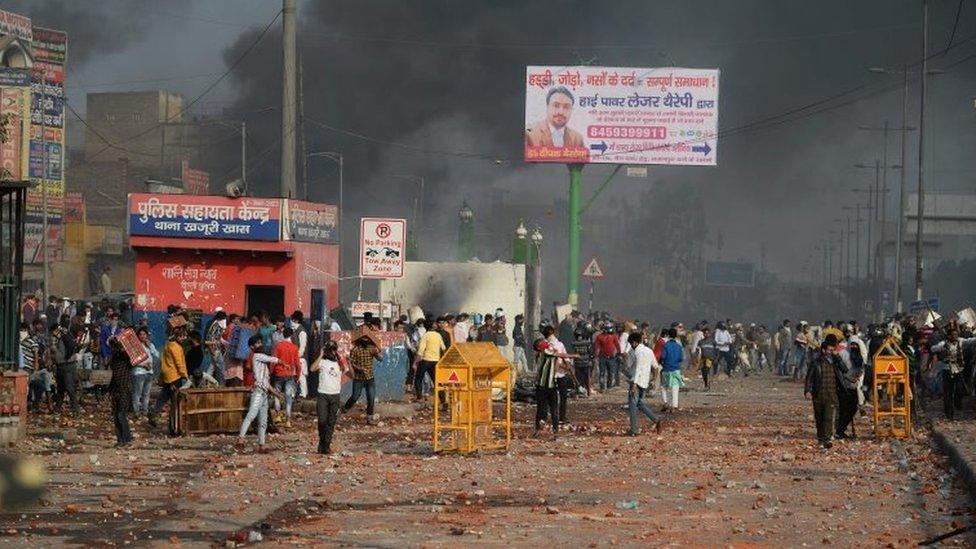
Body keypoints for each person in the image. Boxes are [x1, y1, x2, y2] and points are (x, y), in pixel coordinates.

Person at [237, 335, 280, 452]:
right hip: (258, 392)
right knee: (251, 415)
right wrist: (282, 361)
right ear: (252, 347)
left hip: (264, 393)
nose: (260, 345)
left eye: (260, 342)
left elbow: (266, 382)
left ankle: (262, 444)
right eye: (258, 343)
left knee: (263, 421)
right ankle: (240, 438)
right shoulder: (257, 356)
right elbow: (273, 359)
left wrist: (276, 393)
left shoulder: (262, 363)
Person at [804, 334, 847, 449]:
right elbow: (809, 378)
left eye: (833, 350)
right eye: (829, 350)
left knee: (828, 418)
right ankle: (821, 438)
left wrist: (837, 357)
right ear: (823, 350)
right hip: (818, 394)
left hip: (831, 394)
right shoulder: (816, 362)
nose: (831, 351)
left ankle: (827, 439)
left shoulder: (835, 362)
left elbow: (845, 370)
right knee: (819, 418)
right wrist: (807, 391)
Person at [533, 325, 576, 438]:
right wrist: (574, 356)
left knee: (547, 408)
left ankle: (549, 428)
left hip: (549, 383)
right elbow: (560, 356)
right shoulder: (546, 352)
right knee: (549, 407)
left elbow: (557, 361)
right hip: (545, 384)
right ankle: (549, 428)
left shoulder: (546, 351)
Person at [149, 324, 189, 434]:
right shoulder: (176, 347)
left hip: (167, 376)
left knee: (163, 397)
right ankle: (174, 427)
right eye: (182, 337)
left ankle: (154, 411)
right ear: (178, 337)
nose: (183, 339)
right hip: (175, 376)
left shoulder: (168, 344)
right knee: (175, 403)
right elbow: (179, 363)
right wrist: (184, 374)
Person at [929, 328, 976, 421]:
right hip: (947, 370)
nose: (955, 336)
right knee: (948, 393)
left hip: (958, 369)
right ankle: (949, 413)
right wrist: (942, 346)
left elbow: (970, 341)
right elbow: (933, 349)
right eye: (953, 335)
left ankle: (958, 406)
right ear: (949, 336)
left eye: (956, 335)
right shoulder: (943, 343)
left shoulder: (960, 341)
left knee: (959, 389)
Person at [624, 332, 663, 435]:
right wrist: (653, 380)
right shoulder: (649, 350)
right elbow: (655, 367)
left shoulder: (638, 352)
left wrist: (634, 384)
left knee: (632, 407)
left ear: (634, 342)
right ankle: (656, 420)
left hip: (636, 382)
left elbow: (638, 369)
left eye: (631, 344)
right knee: (640, 404)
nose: (631, 346)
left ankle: (634, 430)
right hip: (644, 382)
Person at [311, 341, 344, 455]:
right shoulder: (322, 362)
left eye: (333, 350)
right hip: (323, 394)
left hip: (335, 394)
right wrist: (320, 355)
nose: (331, 352)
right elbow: (312, 368)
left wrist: (345, 362)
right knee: (322, 420)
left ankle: (326, 445)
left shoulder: (339, 363)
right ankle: (322, 441)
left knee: (331, 422)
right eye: (329, 350)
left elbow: (350, 374)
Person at [343, 334, 381, 424]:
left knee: (371, 398)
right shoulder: (355, 350)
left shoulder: (372, 348)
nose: (366, 340)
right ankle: (343, 410)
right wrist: (359, 368)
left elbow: (380, 359)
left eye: (367, 338)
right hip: (358, 378)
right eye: (364, 338)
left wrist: (378, 352)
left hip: (369, 377)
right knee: (355, 396)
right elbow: (351, 363)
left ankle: (369, 419)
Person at [107, 337, 133, 447]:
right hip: (116, 389)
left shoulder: (124, 356)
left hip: (124, 389)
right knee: (116, 416)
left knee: (121, 415)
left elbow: (131, 358)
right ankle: (120, 440)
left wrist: (122, 347)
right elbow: (113, 374)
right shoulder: (115, 357)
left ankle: (126, 439)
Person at [272, 327, 301, 427]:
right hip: (290, 374)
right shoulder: (294, 347)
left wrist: (270, 372)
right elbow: (297, 364)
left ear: (283, 334)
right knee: (289, 397)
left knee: (276, 394)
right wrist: (298, 375)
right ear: (291, 335)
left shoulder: (278, 346)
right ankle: (288, 420)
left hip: (278, 373)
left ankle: (278, 415)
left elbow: (274, 361)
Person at [51, 317, 79, 414]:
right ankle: (63, 409)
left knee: (65, 388)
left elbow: (54, 347)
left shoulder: (58, 333)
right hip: (70, 363)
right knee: (65, 388)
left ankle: (73, 410)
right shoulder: (68, 333)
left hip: (63, 364)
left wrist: (58, 354)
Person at [413, 319, 445, 400]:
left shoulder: (426, 335)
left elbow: (420, 350)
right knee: (437, 381)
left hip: (426, 360)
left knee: (418, 379)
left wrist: (415, 362)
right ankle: (443, 400)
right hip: (436, 361)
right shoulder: (438, 335)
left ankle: (419, 397)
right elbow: (443, 347)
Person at [131, 327, 158, 417]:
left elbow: (157, 355)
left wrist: (150, 346)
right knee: (137, 393)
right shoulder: (135, 346)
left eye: (144, 334)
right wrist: (143, 365)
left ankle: (144, 410)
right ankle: (136, 411)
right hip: (139, 372)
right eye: (140, 334)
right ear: (137, 336)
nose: (142, 336)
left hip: (149, 373)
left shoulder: (150, 345)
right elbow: (133, 360)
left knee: (146, 393)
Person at [660, 328, 685, 411]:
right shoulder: (678, 346)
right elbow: (681, 358)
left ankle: (665, 403)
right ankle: (674, 405)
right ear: (676, 336)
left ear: (668, 335)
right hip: (676, 369)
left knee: (664, 387)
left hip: (666, 369)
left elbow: (663, 356)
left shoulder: (666, 345)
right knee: (675, 387)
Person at [594, 323, 619, 392]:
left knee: (611, 372)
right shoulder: (599, 337)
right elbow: (597, 347)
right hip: (602, 357)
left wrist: (618, 353)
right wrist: (596, 356)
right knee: (602, 372)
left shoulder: (613, 336)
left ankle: (609, 386)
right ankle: (602, 387)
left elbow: (617, 345)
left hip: (611, 357)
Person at [205, 311, 228, 385]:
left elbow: (218, 338)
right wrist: (211, 348)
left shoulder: (216, 324)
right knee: (220, 366)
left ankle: (206, 381)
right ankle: (221, 384)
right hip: (214, 349)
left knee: (212, 366)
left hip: (215, 348)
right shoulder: (216, 325)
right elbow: (211, 337)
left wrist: (227, 344)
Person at [290, 311, 309, 398]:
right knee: (294, 376)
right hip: (295, 358)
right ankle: (295, 393)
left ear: (296, 320)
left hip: (300, 358)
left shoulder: (302, 332)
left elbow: (302, 347)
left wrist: (297, 356)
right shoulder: (295, 330)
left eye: (292, 319)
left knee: (301, 376)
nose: (291, 321)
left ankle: (303, 394)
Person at [571, 324, 594, 396]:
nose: (579, 337)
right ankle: (585, 392)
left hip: (581, 363)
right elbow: (590, 352)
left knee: (582, 379)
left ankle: (583, 392)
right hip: (582, 363)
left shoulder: (574, 343)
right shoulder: (586, 342)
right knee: (584, 379)